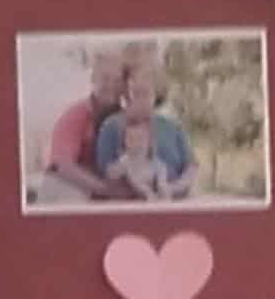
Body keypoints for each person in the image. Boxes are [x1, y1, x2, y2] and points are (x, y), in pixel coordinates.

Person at [95, 62, 197, 202]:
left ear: (156, 93)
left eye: (145, 92)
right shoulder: (112, 126)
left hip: (172, 200)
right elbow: (106, 173)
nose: (139, 98)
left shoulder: (173, 127)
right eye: (134, 92)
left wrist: (171, 188)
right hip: (129, 203)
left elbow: (191, 168)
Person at [41, 44, 127, 202]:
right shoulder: (77, 114)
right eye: (105, 78)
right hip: (67, 182)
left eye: (117, 80)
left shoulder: (126, 117)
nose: (111, 85)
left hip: (98, 186)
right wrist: (105, 189)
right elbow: (62, 165)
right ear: (93, 79)